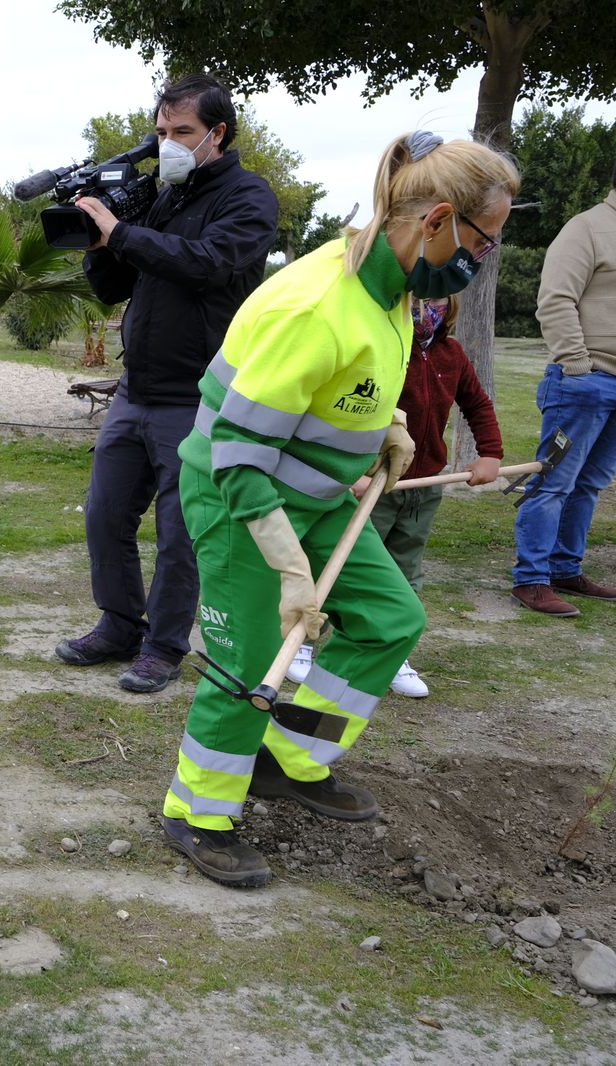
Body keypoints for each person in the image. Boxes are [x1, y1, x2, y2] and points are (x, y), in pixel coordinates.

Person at [161, 130, 518, 889]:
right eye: (487, 241)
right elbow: (239, 458)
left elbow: (360, 383)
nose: (484, 259)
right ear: (439, 218)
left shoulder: (395, 289)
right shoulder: (317, 306)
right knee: (248, 663)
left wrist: (385, 430)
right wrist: (292, 573)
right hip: (242, 499)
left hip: (318, 497)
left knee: (392, 619)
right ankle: (197, 811)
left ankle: (289, 758)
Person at [54, 72, 279, 693]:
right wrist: (99, 243)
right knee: (104, 515)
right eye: (160, 132)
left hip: (199, 397)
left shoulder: (248, 197)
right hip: (136, 390)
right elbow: (115, 289)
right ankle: (119, 625)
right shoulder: (163, 195)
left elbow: (210, 264)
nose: (168, 143)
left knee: (181, 535)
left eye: (182, 131)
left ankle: (163, 646)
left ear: (217, 133)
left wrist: (123, 232)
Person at [287, 294, 503, 698]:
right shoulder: (387, 347)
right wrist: (352, 470)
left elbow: (476, 404)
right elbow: (348, 407)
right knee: (344, 565)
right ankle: (303, 641)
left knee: (405, 566)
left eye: (437, 299)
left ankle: (391, 650)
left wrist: (489, 453)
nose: (427, 307)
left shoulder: (452, 354)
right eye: (418, 298)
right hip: (372, 486)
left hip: (423, 488)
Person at [511, 165, 616, 616]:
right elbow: (555, 298)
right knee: (553, 482)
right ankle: (530, 578)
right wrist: (578, 367)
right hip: (584, 383)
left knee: (590, 484)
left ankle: (565, 569)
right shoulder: (587, 228)